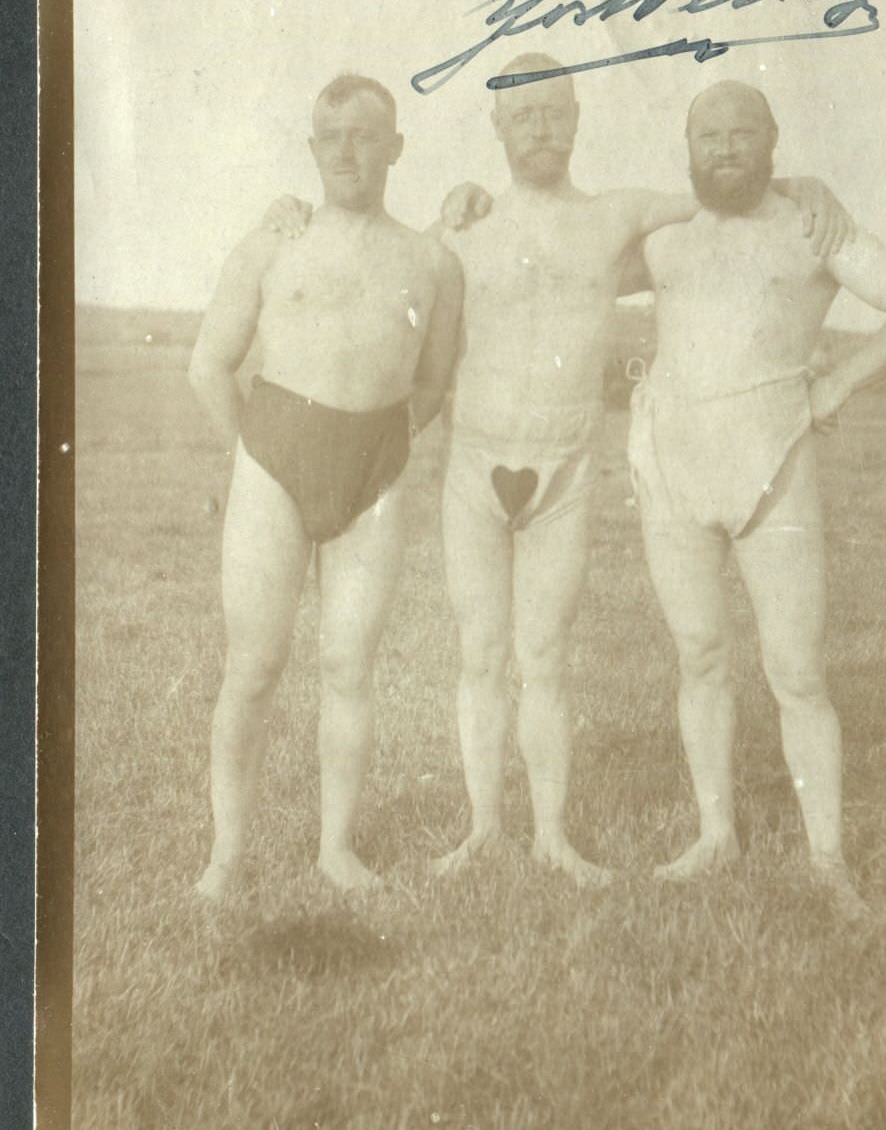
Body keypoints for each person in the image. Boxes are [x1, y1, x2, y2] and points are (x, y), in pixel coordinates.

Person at [264, 55, 847, 884]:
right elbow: (375, 258)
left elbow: (728, 188)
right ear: (498, 127)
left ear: (576, 119)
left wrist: (800, 182)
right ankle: (482, 829)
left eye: (553, 113)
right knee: (480, 652)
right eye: (522, 116)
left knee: (544, 654)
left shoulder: (618, 216)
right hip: (475, 466)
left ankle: (551, 836)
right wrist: (290, 212)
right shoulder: (462, 228)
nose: (539, 129)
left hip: (565, 469)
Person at [625, 80, 886, 910]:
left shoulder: (810, 225)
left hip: (774, 465)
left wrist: (838, 383)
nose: (725, 147)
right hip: (670, 464)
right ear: (687, 148)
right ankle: (715, 836)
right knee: (700, 655)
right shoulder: (664, 234)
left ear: (772, 141)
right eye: (708, 135)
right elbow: (559, 265)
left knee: (798, 671)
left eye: (743, 132)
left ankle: (826, 859)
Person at [188, 75, 463, 899]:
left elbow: (432, 382)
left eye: (365, 135)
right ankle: (226, 857)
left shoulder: (432, 260)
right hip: (272, 462)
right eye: (331, 137)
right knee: (255, 664)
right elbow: (208, 365)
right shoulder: (274, 243)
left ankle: (336, 849)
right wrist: (256, 455)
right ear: (311, 149)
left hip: (372, 469)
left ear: (396, 147)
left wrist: (379, 447)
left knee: (349, 665)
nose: (347, 152)